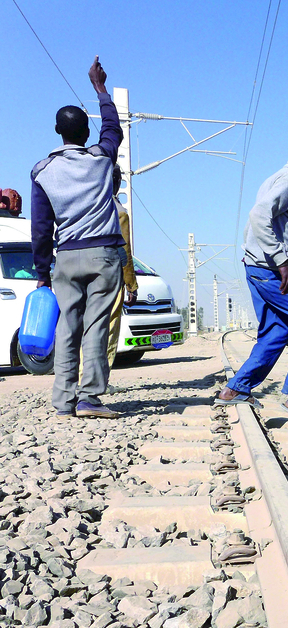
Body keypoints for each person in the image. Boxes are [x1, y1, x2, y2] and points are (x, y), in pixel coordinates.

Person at [31, 57, 124, 419]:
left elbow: (41, 227)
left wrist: (42, 270)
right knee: (96, 326)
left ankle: (63, 400)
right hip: (103, 255)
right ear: (86, 133)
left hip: (66, 256)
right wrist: (100, 89)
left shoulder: (42, 171)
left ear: (58, 131)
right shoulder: (101, 159)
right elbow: (114, 129)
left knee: (67, 326)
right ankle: (89, 398)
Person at [215, 139, 288, 422]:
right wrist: (281, 261)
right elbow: (259, 215)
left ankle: (236, 389)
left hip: (257, 268)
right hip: (269, 271)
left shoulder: (285, 178)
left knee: (277, 332)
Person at [79, 164, 138, 381]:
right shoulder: (119, 212)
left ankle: (80, 376)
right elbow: (124, 252)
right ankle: (98, 380)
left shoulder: (85, 206)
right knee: (109, 328)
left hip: (81, 273)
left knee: (86, 327)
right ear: (117, 182)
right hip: (109, 277)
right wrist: (131, 284)